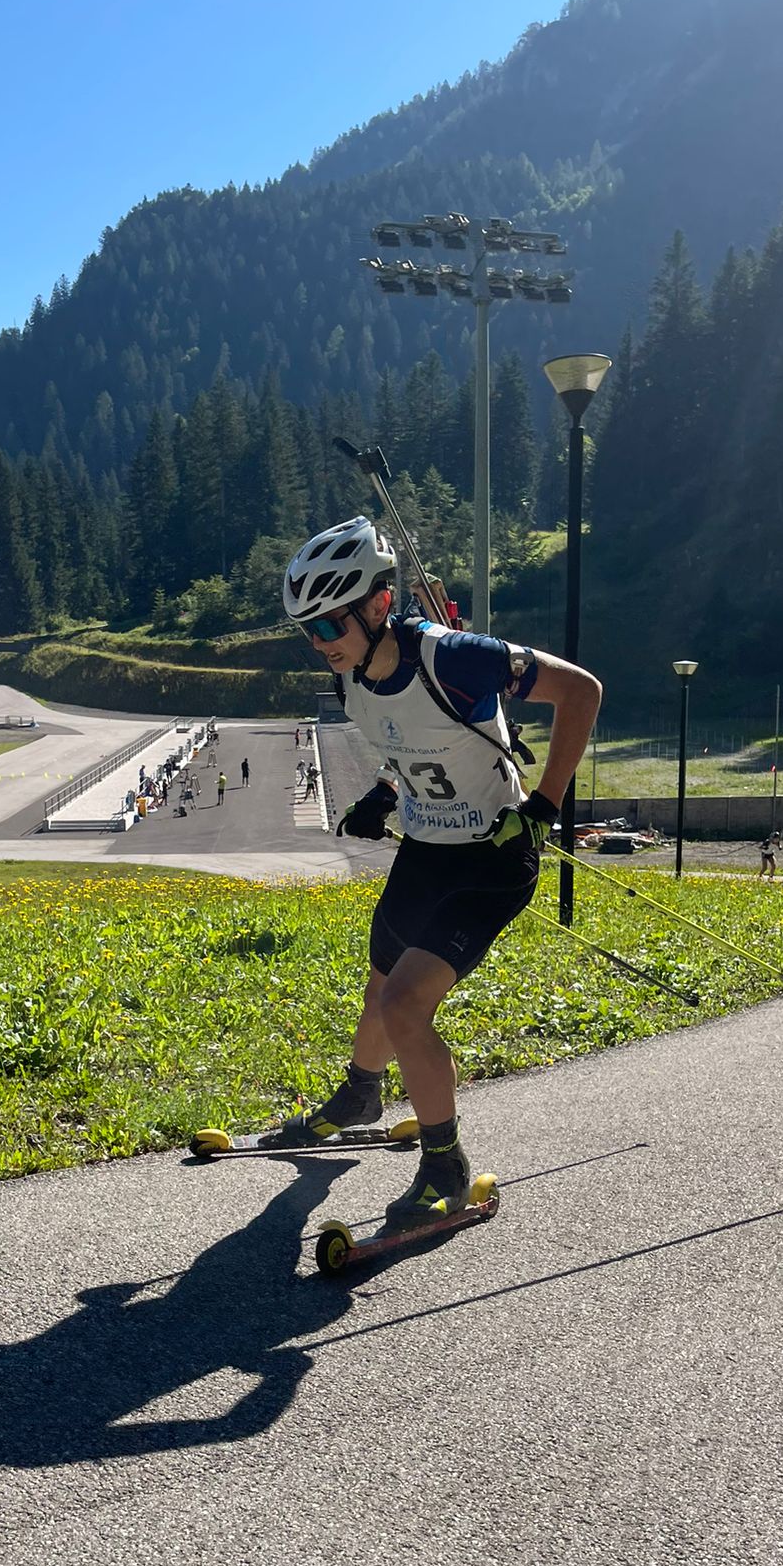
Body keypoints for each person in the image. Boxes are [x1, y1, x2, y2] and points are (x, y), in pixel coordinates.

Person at [279, 514, 602, 1228]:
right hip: (425, 851)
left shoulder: (454, 657)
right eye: (308, 631)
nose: (320, 643)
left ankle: (444, 1166)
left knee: (404, 1004)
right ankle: (361, 1094)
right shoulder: (351, 679)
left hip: (492, 855)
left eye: (329, 624)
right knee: (380, 982)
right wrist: (382, 794)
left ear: (378, 604)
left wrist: (545, 805)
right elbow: (411, 748)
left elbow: (582, 691)